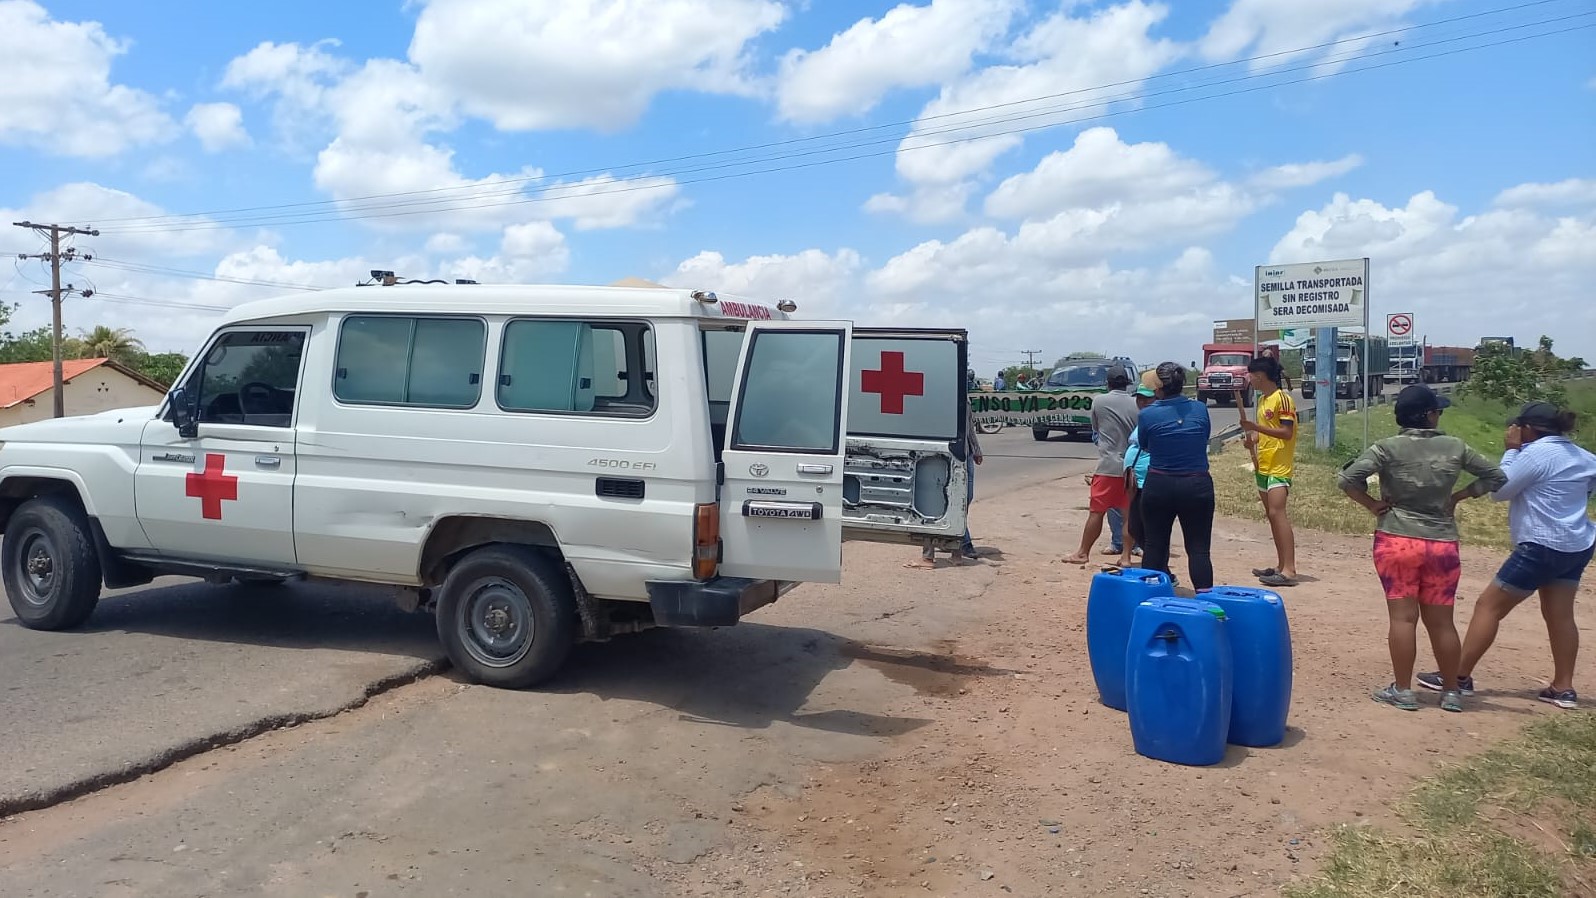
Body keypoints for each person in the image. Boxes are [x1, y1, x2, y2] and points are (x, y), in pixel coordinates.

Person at [1337, 385, 1506, 712]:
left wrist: (1372, 504)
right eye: (1437, 411)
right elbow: (1496, 476)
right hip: (1442, 542)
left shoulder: (1387, 448)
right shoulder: (1456, 446)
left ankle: (1403, 690)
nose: (1439, 415)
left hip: (1397, 540)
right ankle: (1452, 693)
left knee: (1403, 619)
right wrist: (1460, 495)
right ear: (1428, 415)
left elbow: (1347, 479)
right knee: (1443, 622)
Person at [1417, 401, 1596, 710]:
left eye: (1518, 427)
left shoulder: (1536, 454)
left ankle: (1459, 676)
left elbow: (1500, 490)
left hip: (1540, 544)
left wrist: (1512, 450)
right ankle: (1563, 687)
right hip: (1576, 544)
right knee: (1560, 615)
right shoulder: (1583, 456)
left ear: (1528, 429)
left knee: (1489, 607)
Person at [1136, 362, 1214, 590]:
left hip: (1160, 483)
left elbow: (1146, 445)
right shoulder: (1200, 409)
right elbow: (1203, 437)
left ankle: (1151, 598)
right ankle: (1205, 600)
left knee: (1154, 545)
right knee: (1199, 549)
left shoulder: (1147, 415)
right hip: (1197, 484)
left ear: (1159, 389)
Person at [1064, 365, 1139, 565]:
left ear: (1108, 383)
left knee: (1096, 512)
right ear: (1127, 384)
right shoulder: (1136, 404)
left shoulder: (1099, 401)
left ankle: (1082, 553)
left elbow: (1096, 428)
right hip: (1130, 466)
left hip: (1107, 466)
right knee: (1128, 514)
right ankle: (1126, 557)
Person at [1241, 356, 1300, 588]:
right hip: (1263, 465)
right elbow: (1265, 433)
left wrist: (1255, 427)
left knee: (1278, 513)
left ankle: (1290, 569)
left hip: (1279, 466)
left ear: (1260, 375)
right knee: (1271, 515)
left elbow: (1286, 432)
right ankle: (1280, 564)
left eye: (1251, 375)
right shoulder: (1263, 400)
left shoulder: (1282, 399)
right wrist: (1252, 439)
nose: (1249, 379)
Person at [907, 403, 984, 569]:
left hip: (959, 454)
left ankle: (949, 554)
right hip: (943, 453)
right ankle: (939, 554)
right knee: (937, 503)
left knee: (957, 502)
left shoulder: (960, 396)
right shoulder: (944, 395)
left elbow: (969, 425)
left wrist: (976, 449)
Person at [1114, 374, 1159, 568]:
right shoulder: (1143, 417)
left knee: (1144, 518)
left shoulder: (1155, 417)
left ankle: (1149, 557)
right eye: (1139, 398)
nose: (1141, 401)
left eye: (1146, 398)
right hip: (1134, 474)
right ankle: (1127, 554)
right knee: (1131, 516)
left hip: (1146, 475)